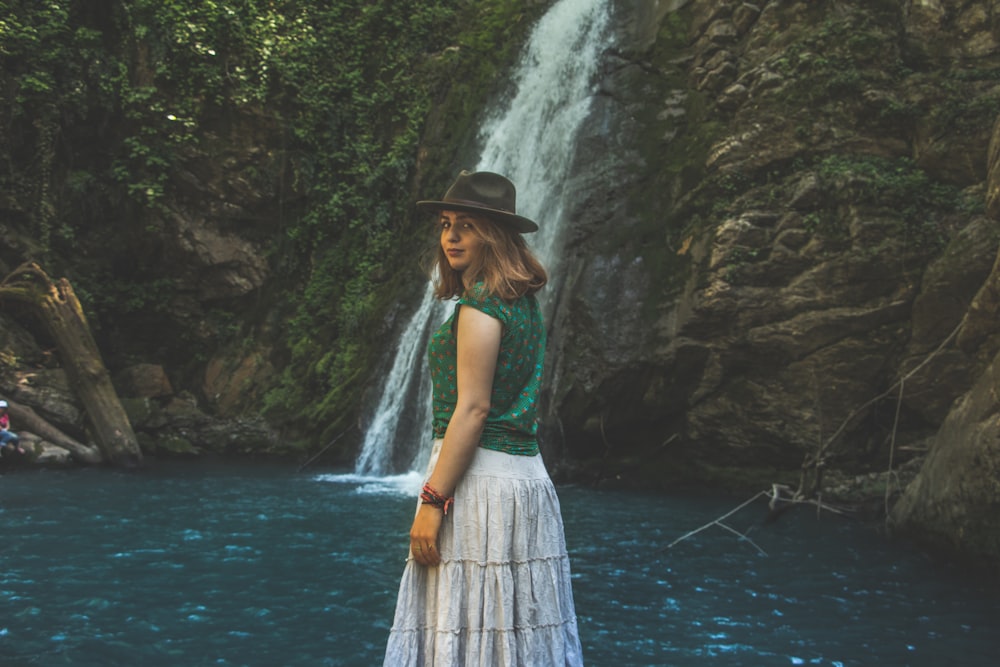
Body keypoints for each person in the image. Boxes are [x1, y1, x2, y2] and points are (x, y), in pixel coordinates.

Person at [383, 171, 584, 666]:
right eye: (446, 224)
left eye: (467, 226)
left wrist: (432, 501)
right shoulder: (522, 305)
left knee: (463, 632)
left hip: (475, 489)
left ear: (493, 235)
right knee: (515, 637)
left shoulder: (479, 307)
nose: (451, 236)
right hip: (525, 483)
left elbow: (472, 410)